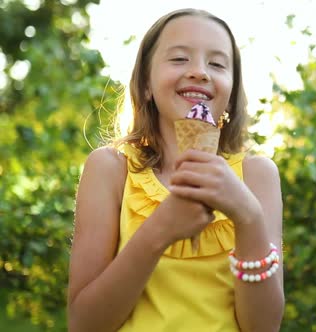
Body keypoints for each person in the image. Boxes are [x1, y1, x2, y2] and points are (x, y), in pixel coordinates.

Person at [67, 8, 284, 332]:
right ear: (145, 85)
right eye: (180, 59)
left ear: (231, 93)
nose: (199, 72)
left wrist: (248, 216)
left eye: (217, 64)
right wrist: (160, 231)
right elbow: (83, 324)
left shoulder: (257, 176)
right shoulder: (111, 170)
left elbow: (264, 327)